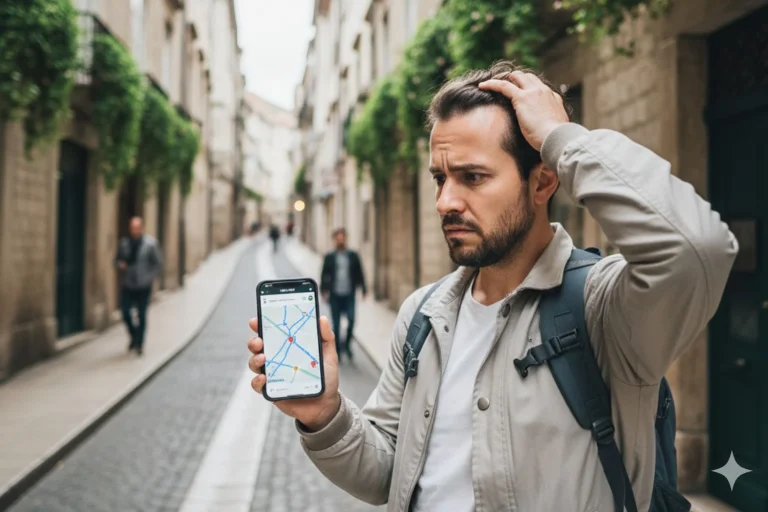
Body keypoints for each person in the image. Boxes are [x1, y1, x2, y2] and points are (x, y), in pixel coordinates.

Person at [246, 61, 737, 511]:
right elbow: (387, 474)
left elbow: (696, 249)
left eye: (472, 177)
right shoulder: (424, 315)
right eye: (440, 178)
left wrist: (564, 139)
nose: (445, 201)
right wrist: (325, 414)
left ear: (544, 182)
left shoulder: (604, 308)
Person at [114, 216, 163, 356]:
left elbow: (158, 264)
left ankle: (140, 344)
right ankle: (134, 335)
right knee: (125, 313)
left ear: (141, 227)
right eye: (132, 227)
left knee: (141, 315)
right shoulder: (124, 243)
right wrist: (120, 264)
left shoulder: (150, 244)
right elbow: (117, 260)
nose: (134, 229)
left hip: (143, 286)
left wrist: (149, 278)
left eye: (137, 227)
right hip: (128, 285)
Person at [319, 228, 367, 362]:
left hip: (349, 294)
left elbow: (360, 272)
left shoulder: (353, 255)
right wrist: (323, 291)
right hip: (335, 295)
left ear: (346, 239)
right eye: (338, 239)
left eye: (342, 238)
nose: (340, 241)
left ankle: (347, 344)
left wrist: (363, 289)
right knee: (336, 323)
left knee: (351, 320)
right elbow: (324, 274)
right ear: (334, 240)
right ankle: (338, 350)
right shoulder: (330, 256)